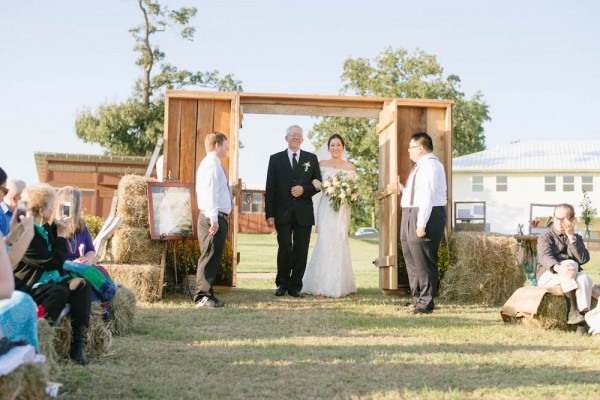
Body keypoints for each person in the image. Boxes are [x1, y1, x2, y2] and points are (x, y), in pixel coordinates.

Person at [13, 183, 92, 364]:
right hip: (30, 286)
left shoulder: (45, 229)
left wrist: (59, 230)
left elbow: (56, 264)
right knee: (60, 292)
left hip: (50, 282)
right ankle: (41, 338)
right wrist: (62, 236)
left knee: (81, 284)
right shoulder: (25, 234)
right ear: (41, 211)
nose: (54, 210)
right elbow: (54, 262)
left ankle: (78, 345)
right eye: (51, 207)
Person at [265, 125, 321, 298]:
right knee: (285, 248)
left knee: (301, 249)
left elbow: (318, 184)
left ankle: (295, 286)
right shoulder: (275, 159)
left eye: (299, 136)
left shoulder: (311, 158)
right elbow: (271, 188)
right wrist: (269, 214)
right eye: (293, 135)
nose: (296, 138)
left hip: (304, 213)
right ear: (286, 138)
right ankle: (282, 283)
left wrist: (304, 190)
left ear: (302, 140)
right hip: (282, 213)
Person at [302, 134, 357, 298]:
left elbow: (353, 190)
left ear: (343, 147)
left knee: (340, 241)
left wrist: (348, 194)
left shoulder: (350, 167)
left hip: (342, 209)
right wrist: (322, 185)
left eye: (338, 145)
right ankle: (321, 285)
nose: (335, 148)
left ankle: (340, 285)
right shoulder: (322, 165)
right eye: (332, 145)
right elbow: (316, 183)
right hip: (326, 207)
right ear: (328, 148)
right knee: (325, 240)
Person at [398, 132, 447, 314]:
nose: (409, 151)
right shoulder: (420, 166)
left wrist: (421, 223)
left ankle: (426, 303)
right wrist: (403, 190)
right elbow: (417, 194)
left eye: (411, 148)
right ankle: (417, 298)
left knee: (424, 260)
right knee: (411, 257)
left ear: (420, 148)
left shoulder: (430, 166)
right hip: (411, 212)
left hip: (425, 214)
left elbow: (426, 196)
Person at [536, 203, 593, 327]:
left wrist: (571, 237)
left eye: (563, 219)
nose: (558, 221)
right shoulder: (545, 236)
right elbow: (544, 258)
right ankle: (572, 311)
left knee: (585, 278)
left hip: (570, 274)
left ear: (572, 220)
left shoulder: (576, 237)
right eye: (556, 218)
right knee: (569, 264)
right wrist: (560, 268)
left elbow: (583, 259)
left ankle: (582, 320)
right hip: (548, 275)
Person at [194, 132, 232, 308]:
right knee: (209, 255)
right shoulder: (211, 165)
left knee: (212, 255)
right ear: (217, 145)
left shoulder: (214, 164)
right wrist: (214, 219)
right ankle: (202, 296)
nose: (227, 148)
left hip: (215, 216)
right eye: (225, 145)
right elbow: (209, 193)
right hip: (212, 218)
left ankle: (208, 293)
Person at [52, 186, 96, 264]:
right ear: (73, 206)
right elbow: (52, 259)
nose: (82, 207)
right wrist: (72, 264)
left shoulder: (82, 226)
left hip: (80, 268)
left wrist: (85, 260)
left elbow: (91, 250)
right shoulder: (53, 228)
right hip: (63, 271)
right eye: (80, 203)